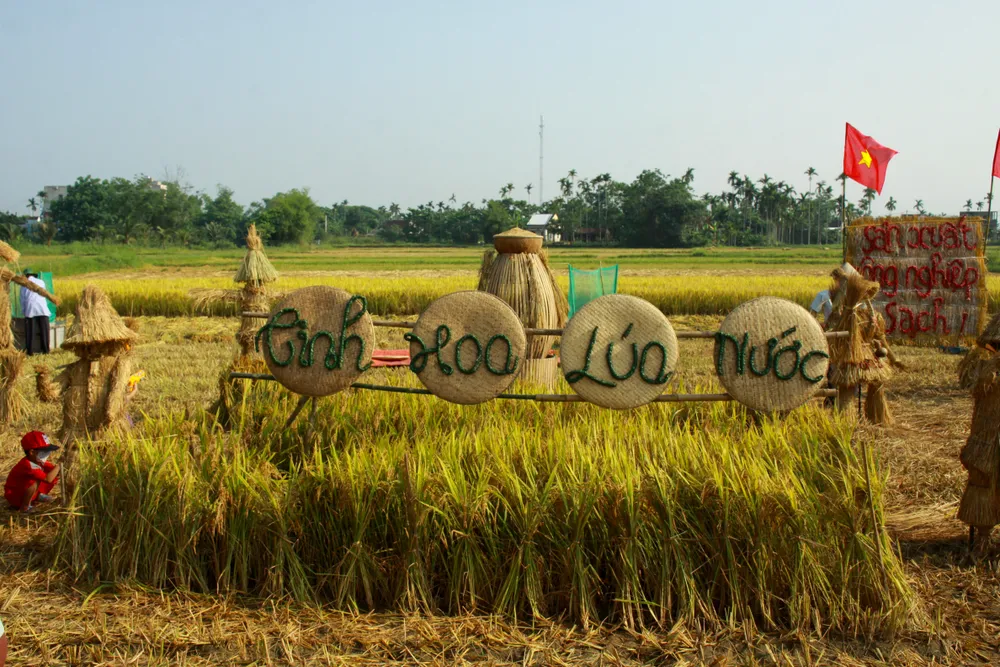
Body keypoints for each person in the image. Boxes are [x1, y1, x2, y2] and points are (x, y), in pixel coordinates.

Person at [3, 431, 60, 513]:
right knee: (36, 480)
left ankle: (36, 496)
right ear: (32, 452)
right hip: (14, 495)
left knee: (51, 471)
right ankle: (25, 507)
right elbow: (48, 479)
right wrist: (59, 465)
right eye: (44, 451)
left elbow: (53, 471)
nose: (47, 454)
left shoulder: (37, 460)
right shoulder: (28, 465)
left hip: (22, 491)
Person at [20, 270, 51, 355]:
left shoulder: (24, 285)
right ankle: (46, 350)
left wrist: (24, 311)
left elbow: (22, 300)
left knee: (30, 331)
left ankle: (30, 351)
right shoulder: (41, 282)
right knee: (44, 330)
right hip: (42, 308)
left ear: (25, 276)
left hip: (30, 309)